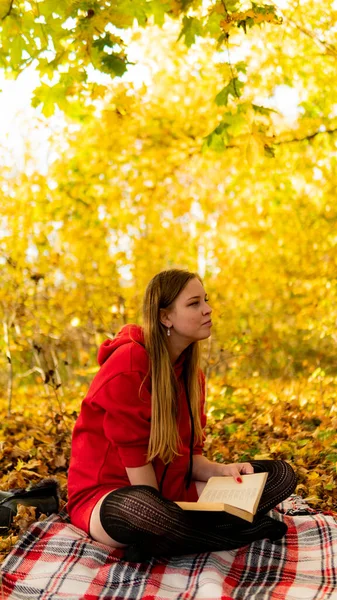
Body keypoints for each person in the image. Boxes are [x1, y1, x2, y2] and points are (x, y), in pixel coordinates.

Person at [67, 268, 297, 562]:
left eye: (206, 300)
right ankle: (235, 532)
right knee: (147, 511)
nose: (208, 309)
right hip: (113, 498)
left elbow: (190, 458)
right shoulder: (130, 363)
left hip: (172, 493)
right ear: (165, 317)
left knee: (279, 476)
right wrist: (165, 516)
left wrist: (222, 471)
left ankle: (179, 537)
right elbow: (141, 479)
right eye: (194, 303)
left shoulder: (192, 375)